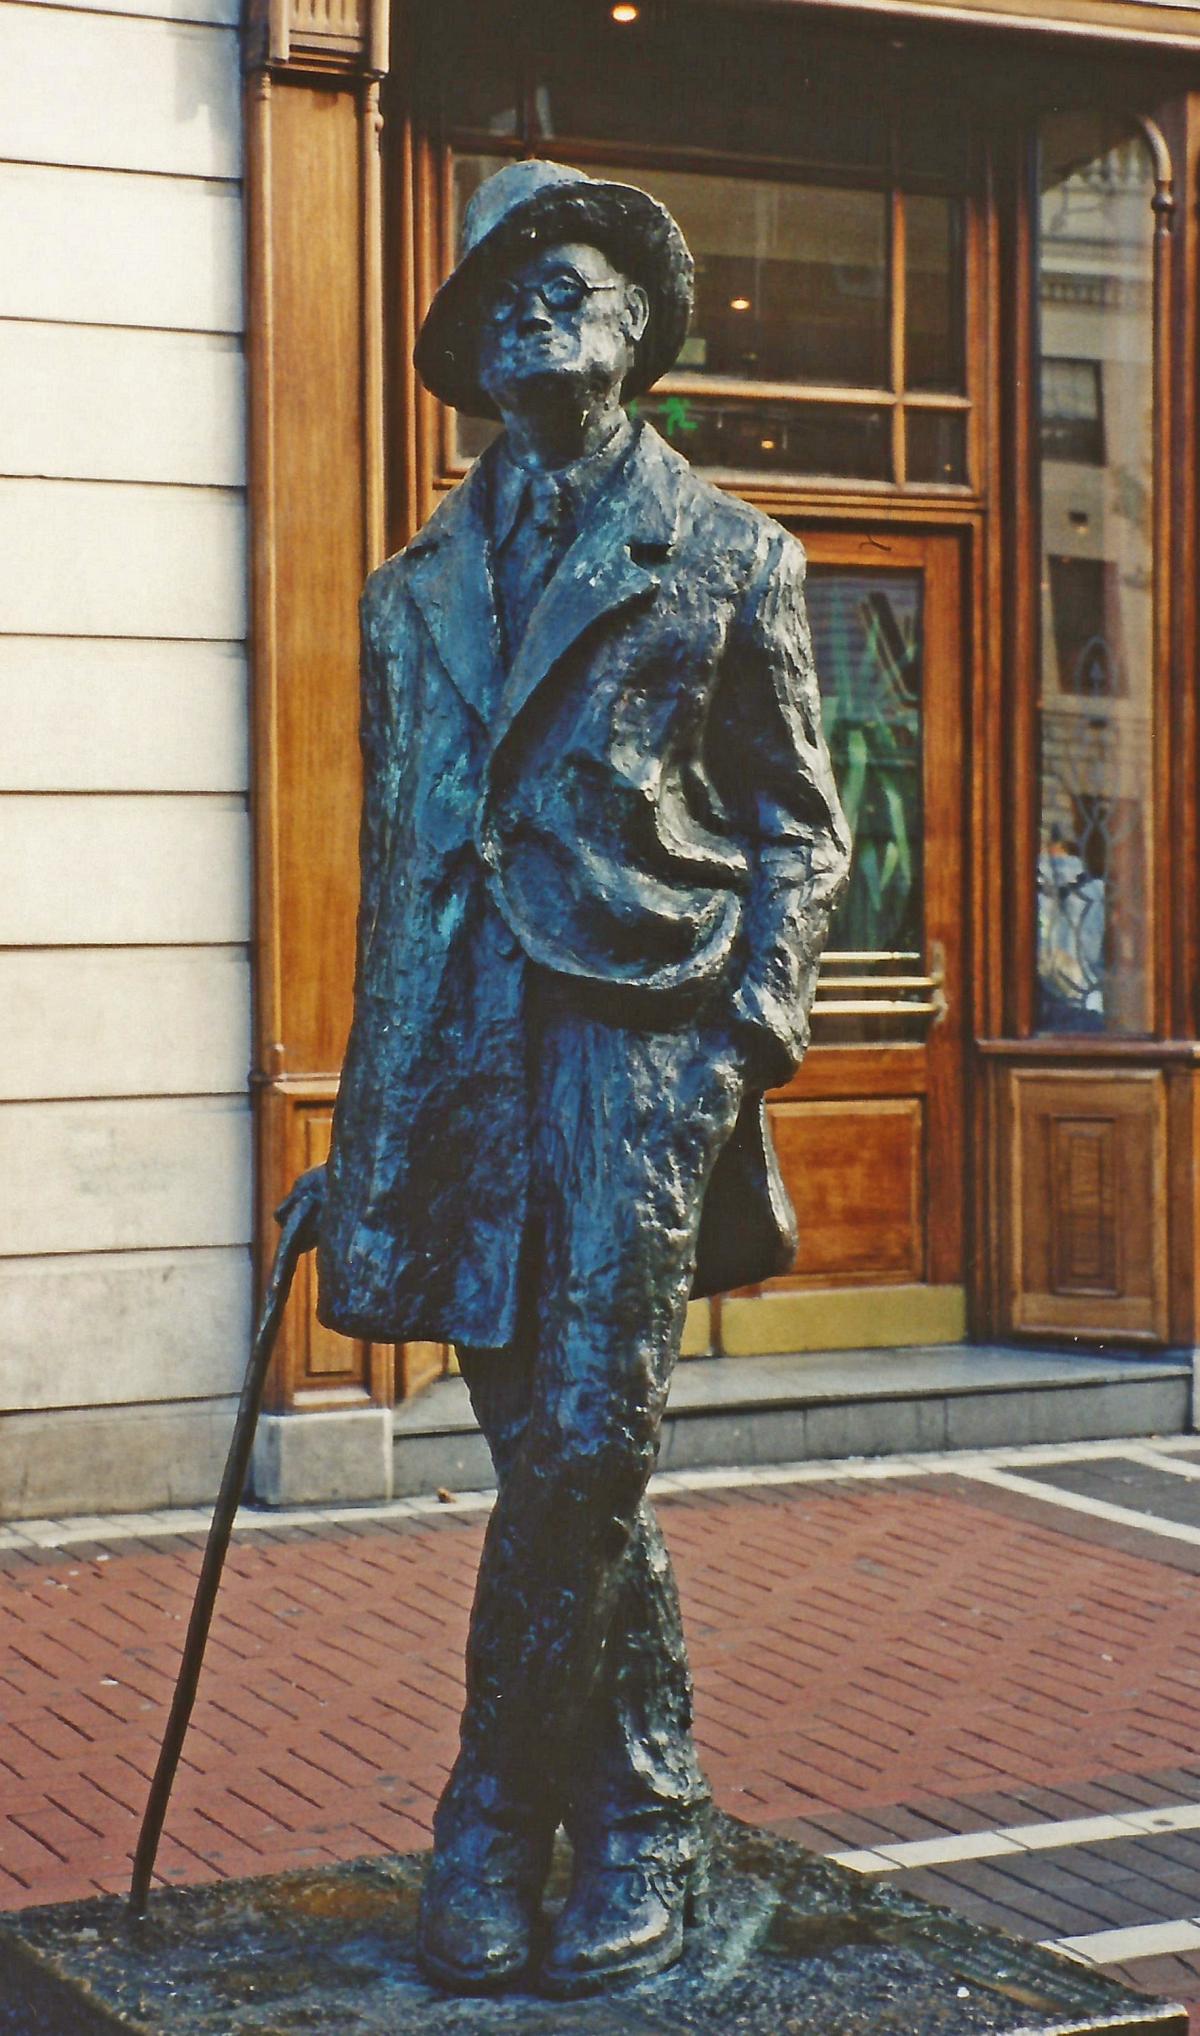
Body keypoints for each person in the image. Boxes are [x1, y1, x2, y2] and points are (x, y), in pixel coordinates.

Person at [307, 158, 850, 1998]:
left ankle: (490, 1815)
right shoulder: (410, 594)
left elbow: (803, 826)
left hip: (642, 1042)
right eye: (512, 281)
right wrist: (362, 1131)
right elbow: (400, 868)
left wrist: (750, 1031)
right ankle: (645, 1807)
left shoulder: (726, 554)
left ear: (641, 325)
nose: (544, 299)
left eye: (582, 275)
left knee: (595, 1443)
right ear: (470, 343)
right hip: (458, 1066)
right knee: (554, 1463)